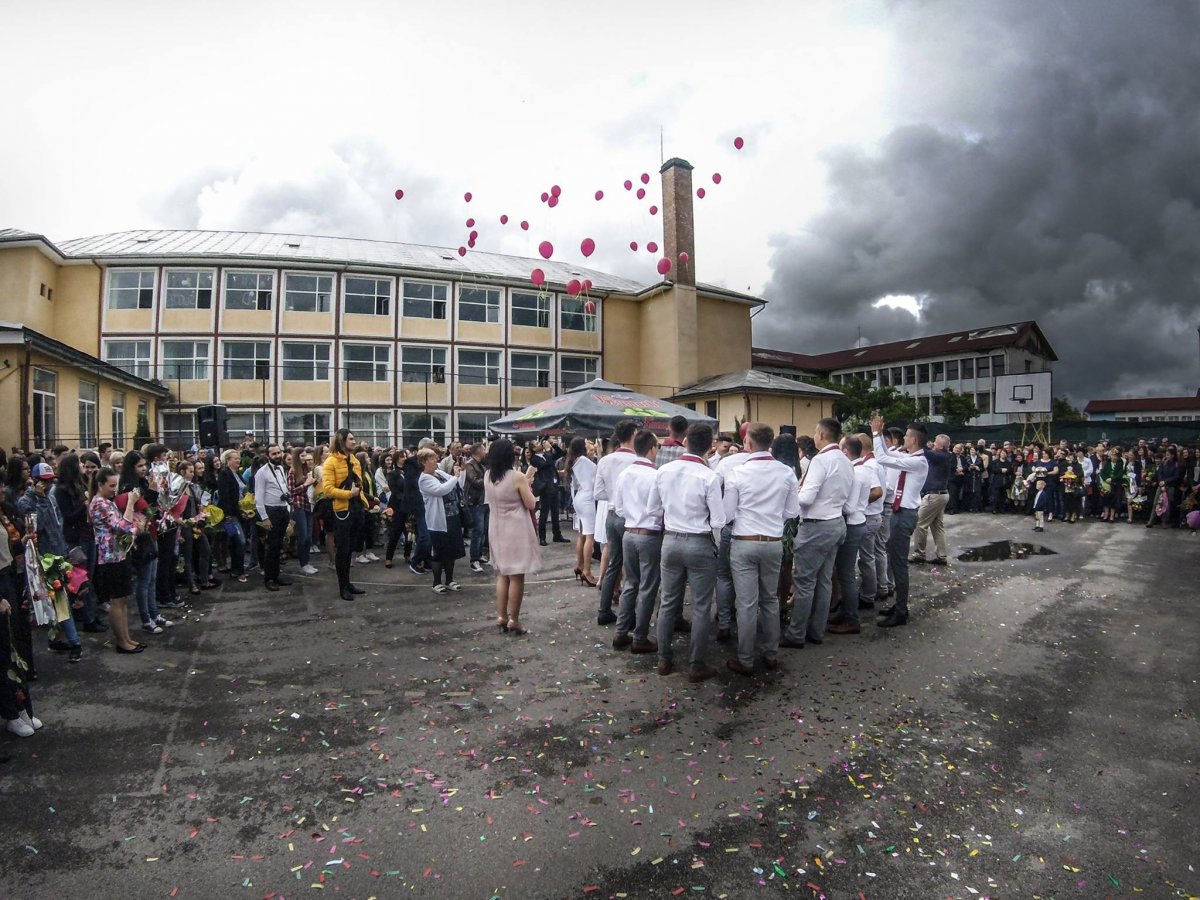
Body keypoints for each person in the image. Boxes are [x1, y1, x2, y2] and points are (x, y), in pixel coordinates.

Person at [649, 423, 726, 682]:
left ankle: (664, 658)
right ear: (709, 446)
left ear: (685, 442)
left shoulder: (663, 470)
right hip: (699, 541)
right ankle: (696, 663)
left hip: (670, 540)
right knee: (702, 605)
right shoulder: (709, 476)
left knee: (669, 601)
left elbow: (653, 508)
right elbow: (718, 521)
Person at [721, 423, 798, 674]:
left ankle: (745, 659)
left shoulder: (738, 473)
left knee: (746, 604)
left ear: (749, 444)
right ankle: (770, 653)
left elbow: (728, 514)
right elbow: (792, 512)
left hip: (744, 541)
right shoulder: (786, 472)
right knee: (770, 600)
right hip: (773, 542)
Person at [781, 418, 852, 650]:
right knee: (823, 581)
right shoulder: (845, 460)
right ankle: (816, 630)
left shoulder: (821, 460)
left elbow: (806, 498)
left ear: (821, 435)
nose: (813, 436)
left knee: (804, 582)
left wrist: (792, 495)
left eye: (814, 432)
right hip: (836, 522)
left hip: (817, 525)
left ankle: (796, 633)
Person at [870, 414, 929, 628]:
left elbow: (882, 458)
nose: (903, 438)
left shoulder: (917, 461)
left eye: (906, 436)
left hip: (904, 514)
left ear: (913, 440)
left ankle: (901, 610)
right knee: (895, 560)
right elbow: (886, 455)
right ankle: (899, 605)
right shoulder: (911, 458)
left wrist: (876, 433)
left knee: (899, 563)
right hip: (899, 512)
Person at [612, 429, 663, 654]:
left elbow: (619, 507)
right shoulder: (655, 475)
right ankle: (640, 636)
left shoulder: (625, 473)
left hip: (629, 532)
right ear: (651, 449)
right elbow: (660, 508)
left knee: (631, 583)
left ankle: (621, 631)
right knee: (647, 586)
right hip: (649, 534)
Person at [484, 439, 541, 635]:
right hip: (515, 527)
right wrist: (529, 483)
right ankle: (514, 619)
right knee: (517, 575)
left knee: (502, 573)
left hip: (496, 526)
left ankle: (502, 615)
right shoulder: (517, 476)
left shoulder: (487, 475)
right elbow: (531, 503)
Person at [828, 436, 883, 635]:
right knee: (846, 573)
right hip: (859, 522)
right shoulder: (863, 470)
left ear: (845, 452)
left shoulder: (855, 472)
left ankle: (851, 618)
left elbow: (850, 506)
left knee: (846, 575)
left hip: (852, 524)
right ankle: (846, 612)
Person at [88, 467, 144, 654]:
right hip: (110, 558)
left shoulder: (106, 502)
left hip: (118, 554)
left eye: (116, 485)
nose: (114, 489)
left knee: (122, 600)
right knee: (117, 601)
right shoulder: (100, 504)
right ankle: (121, 641)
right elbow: (122, 527)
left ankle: (126, 638)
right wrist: (130, 504)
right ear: (100, 484)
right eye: (111, 486)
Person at [592, 420, 638, 626]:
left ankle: (604, 609)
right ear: (634, 435)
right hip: (631, 516)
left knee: (614, 563)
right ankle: (630, 615)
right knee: (633, 567)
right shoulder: (637, 460)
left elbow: (598, 492)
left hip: (611, 514)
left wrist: (612, 495)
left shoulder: (605, 460)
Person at [322, 429, 369, 601]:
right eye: (350, 439)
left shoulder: (354, 460)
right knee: (342, 550)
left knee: (350, 549)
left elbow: (359, 484)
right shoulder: (330, 462)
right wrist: (350, 495)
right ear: (341, 441)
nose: (353, 441)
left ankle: (348, 583)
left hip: (356, 508)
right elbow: (327, 490)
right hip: (342, 510)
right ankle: (343, 587)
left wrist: (364, 500)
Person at [417, 447, 465, 593]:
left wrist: (460, 473)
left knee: (452, 552)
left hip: (452, 516)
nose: (436, 460)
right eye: (432, 458)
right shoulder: (424, 479)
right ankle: (436, 582)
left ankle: (450, 579)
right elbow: (441, 490)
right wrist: (455, 477)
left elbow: (457, 485)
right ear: (424, 462)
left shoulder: (439, 472)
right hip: (438, 521)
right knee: (439, 553)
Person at [254, 444, 294, 592]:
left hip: (283, 509)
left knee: (279, 546)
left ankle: (276, 575)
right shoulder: (262, 473)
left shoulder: (281, 469)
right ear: (268, 455)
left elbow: (284, 490)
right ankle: (269, 578)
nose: (277, 455)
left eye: (279, 453)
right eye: (274, 454)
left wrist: (288, 509)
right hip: (271, 511)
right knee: (271, 546)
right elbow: (258, 498)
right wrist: (264, 518)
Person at [910, 434, 953, 565]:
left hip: (934, 496)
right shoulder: (944, 456)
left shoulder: (941, 456)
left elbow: (926, 452)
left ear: (941, 445)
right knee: (937, 526)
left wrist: (918, 441)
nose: (933, 444)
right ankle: (941, 555)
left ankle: (919, 553)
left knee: (920, 524)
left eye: (935, 442)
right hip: (941, 495)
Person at [566, 438, 598, 586]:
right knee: (590, 536)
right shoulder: (584, 460)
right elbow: (597, 471)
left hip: (579, 498)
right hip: (587, 498)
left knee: (582, 534)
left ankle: (579, 565)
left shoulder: (574, 461)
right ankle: (587, 570)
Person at [287, 447, 318, 575]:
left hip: (308, 505)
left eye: (306, 456)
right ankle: (303, 563)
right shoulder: (292, 471)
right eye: (302, 456)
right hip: (298, 506)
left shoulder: (307, 471)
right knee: (303, 536)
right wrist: (306, 484)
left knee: (308, 536)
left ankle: (307, 562)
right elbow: (290, 491)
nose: (305, 458)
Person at [531, 439, 568, 546]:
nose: (540, 444)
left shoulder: (546, 455)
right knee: (544, 513)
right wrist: (547, 451)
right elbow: (545, 464)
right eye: (537, 444)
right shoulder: (535, 459)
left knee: (555, 512)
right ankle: (542, 537)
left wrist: (553, 444)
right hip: (545, 487)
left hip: (554, 485)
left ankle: (557, 534)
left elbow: (560, 453)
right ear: (534, 448)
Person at [463, 444, 490, 573]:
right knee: (477, 531)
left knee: (483, 531)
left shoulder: (483, 465)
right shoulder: (470, 465)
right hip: (476, 502)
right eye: (484, 449)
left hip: (485, 502)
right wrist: (488, 478)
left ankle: (479, 555)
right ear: (479, 451)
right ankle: (474, 559)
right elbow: (474, 482)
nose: (485, 452)